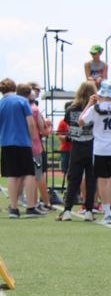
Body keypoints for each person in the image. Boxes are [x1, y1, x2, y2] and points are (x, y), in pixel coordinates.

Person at [78, 80, 111, 224]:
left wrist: (89, 104)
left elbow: (81, 122)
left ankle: (108, 212)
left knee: (102, 181)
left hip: (101, 149)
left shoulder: (95, 108)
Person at [0, 78, 42, 218]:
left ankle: (13, 208)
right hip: (22, 142)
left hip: (6, 143)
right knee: (28, 174)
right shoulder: (22, 101)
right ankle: (30, 206)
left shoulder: (1, 103)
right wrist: (30, 138)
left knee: (12, 175)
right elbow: (30, 123)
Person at [58, 81, 97, 221]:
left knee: (73, 178)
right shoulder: (95, 108)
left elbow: (68, 124)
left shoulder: (71, 108)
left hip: (76, 146)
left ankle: (67, 210)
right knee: (91, 180)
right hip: (92, 145)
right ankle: (88, 210)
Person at [17, 83, 51, 212]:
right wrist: (50, 127)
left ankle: (30, 201)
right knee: (37, 175)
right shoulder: (35, 110)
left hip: (22, 145)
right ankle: (40, 202)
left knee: (22, 175)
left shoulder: (19, 109)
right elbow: (43, 131)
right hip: (35, 146)